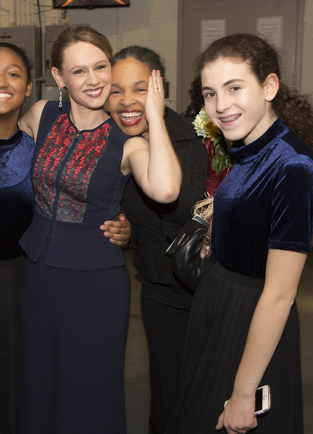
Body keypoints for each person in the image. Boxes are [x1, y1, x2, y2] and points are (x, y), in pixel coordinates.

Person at [0, 41, 131, 434]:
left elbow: (96, 188)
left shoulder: (41, 148)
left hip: (22, 279)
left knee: (25, 382)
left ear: (29, 88)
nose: (1, 82)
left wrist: (123, 224)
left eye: (14, 74)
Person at [165, 33, 313, 434]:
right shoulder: (250, 148)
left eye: (234, 88)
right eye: (210, 93)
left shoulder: (292, 166)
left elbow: (279, 293)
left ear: (269, 87)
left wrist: (244, 393)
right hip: (220, 304)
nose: (220, 106)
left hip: (251, 320)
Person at [17, 26, 182, 433]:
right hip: (37, 274)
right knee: (38, 381)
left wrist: (155, 118)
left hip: (95, 284)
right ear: (59, 78)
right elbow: (2, 157)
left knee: (88, 388)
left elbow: (164, 189)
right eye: (78, 71)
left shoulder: (127, 140)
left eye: (100, 66)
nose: (92, 79)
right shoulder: (41, 114)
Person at [108, 46, 209, 434]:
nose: (127, 101)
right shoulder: (110, 142)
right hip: (159, 290)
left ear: (159, 88)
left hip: (208, 288)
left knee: (211, 389)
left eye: (139, 88)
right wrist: (129, 232)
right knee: (167, 395)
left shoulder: (200, 140)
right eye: (116, 90)